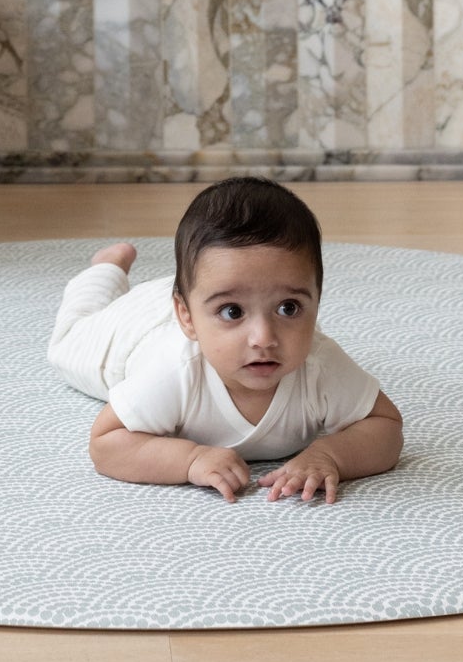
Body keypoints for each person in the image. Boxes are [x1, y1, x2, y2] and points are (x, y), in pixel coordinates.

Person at [48, 177, 402, 501]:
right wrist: (191, 459)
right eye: (233, 312)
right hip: (140, 328)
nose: (263, 338)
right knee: (68, 344)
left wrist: (330, 455)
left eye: (289, 307)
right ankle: (106, 268)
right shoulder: (173, 371)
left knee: (224, 288)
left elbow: (385, 426)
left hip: (201, 297)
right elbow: (106, 444)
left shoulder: (319, 364)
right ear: (186, 316)